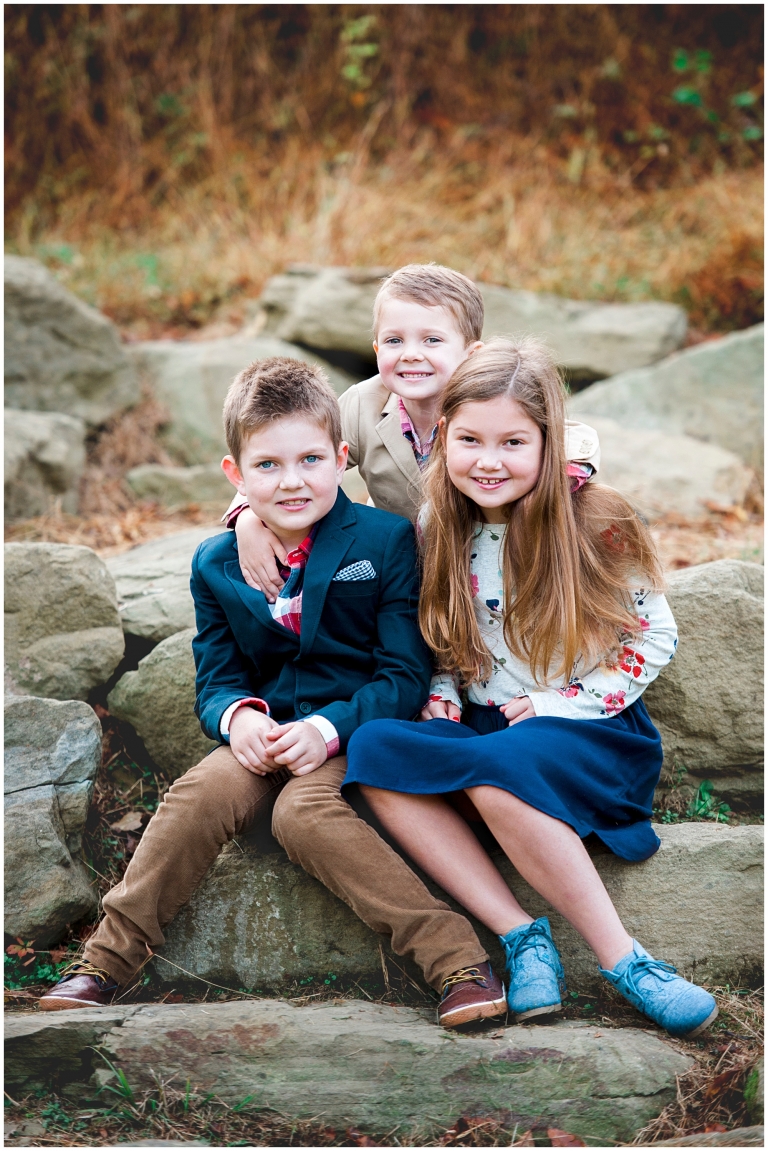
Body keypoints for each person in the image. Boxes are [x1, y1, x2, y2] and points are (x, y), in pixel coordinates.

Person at [40, 356, 507, 1027]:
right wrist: (237, 720)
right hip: (266, 736)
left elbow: (403, 675)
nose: (292, 481)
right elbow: (217, 675)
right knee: (201, 790)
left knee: (301, 814)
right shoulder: (216, 560)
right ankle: (107, 961)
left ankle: (456, 960)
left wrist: (325, 731)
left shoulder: (385, 540)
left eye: (311, 460)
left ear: (341, 458)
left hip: (354, 732)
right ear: (235, 475)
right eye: (268, 466)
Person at [343, 338, 719, 1040]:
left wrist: (553, 704)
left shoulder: (596, 519)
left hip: (588, 731)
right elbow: (453, 626)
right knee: (371, 751)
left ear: (549, 442)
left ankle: (626, 959)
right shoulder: (437, 524)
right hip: (492, 730)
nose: (489, 461)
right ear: (444, 438)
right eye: (471, 440)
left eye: (514, 441)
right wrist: (448, 688)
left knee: (497, 771)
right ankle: (520, 934)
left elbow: (652, 637)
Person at [225, 263, 601, 600]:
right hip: (400, 567)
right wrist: (246, 518)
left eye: (432, 340)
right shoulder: (362, 403)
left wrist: (549, 488)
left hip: (481, 563)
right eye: (394, 341)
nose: (410, 354)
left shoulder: (489, 404)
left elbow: (574, 439)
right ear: (376, 349)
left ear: (472, 354)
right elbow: (287, 452)